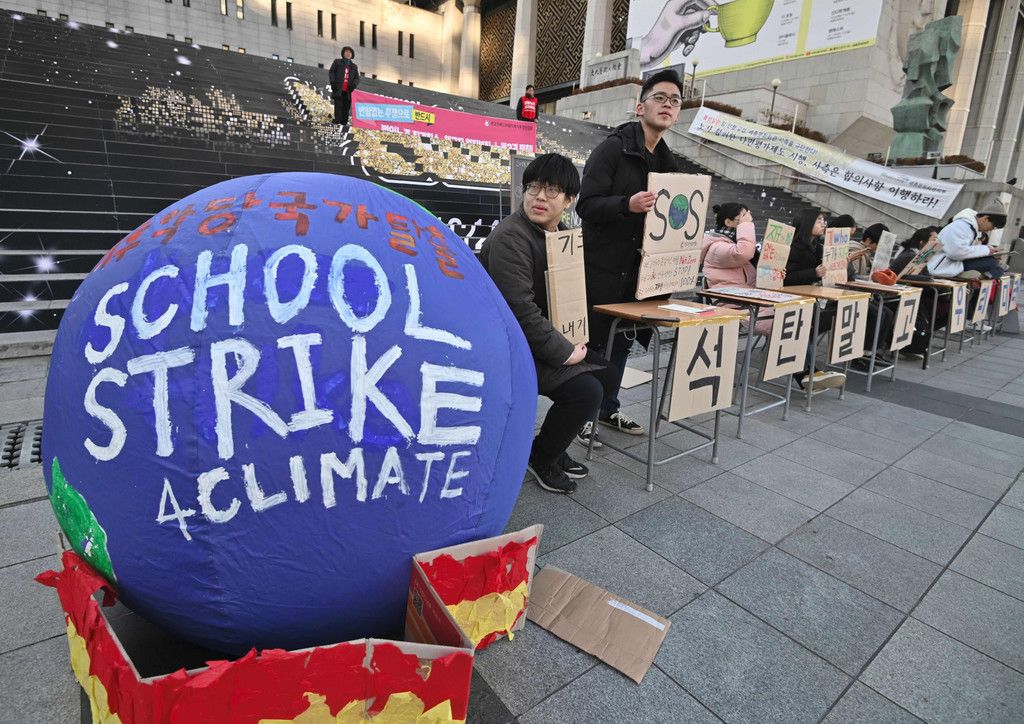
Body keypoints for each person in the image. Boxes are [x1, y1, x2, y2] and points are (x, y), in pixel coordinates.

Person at [478, 154, 616, 494]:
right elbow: (520, 311)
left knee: (607, 373)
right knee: (587, 392)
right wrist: (565, 351)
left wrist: (576, 338)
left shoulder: (562, 236)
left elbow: (569, 298)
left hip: (537, 338)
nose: (539, 197)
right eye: (533, 187)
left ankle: (551, 445)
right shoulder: (511, 237)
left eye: (552, 190)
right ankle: (542, 457)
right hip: (507, 346)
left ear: (569, 200)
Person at [573, 69, 686, 447]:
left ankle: (608, 407)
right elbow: (586, 205)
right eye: (660, 97)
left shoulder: (670, 164)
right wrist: (627, 204)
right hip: (603, 270)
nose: (668, 105)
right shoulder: (613, 149)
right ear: (641, 107)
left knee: (621, 343)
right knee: (596, 345)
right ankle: (582, 416)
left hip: (641, 274)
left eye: (675, 101)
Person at [783, 208, 847, 390]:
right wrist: (814, 273)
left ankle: (810, 374)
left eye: (824, 220)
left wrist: (840, 263)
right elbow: (786, 278)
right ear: (807, 223)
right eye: (819, 220)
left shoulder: (818, 247)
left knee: (812, 326)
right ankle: (809, 374)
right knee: (806, 328)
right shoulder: (793, 247)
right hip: (789, 300)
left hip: (809, 299)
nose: (823, 224)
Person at [700, 203, 773, 335]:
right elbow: (743, 252)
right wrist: (746, 225)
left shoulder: (736, 243)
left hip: (748, 301)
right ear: (728, 222)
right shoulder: (717, 247)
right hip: (735, 305)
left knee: (789, 315)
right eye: (743, 216)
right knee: (783, 321)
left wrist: (775, 274)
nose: (749, 219)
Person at [928, 200, 1008, 279]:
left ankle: (976, 275)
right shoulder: (960, 226)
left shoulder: (970, 228)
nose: (991, 230)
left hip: (953, 263)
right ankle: (978, 276)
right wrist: (987, 250)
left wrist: (990, 253)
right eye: (993, 226)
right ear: (985, 219)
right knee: (991, 263)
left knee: (995, 263)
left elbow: (967, 251)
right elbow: (955, 252)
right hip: (940, 268)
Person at [328, 46, 359, 125]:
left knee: (346, 109)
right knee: (338, 107)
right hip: (338, 89)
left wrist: (353, 85)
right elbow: (331, 72)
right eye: (346, 52)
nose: (348, 53)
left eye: (350, 52)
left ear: (352, 55)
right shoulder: (337, 62)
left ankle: (344, 125)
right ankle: (337, 122)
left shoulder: (354, 66)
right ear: (343, 53)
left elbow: (357, 78)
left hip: (348, 91)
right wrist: (333, 83)